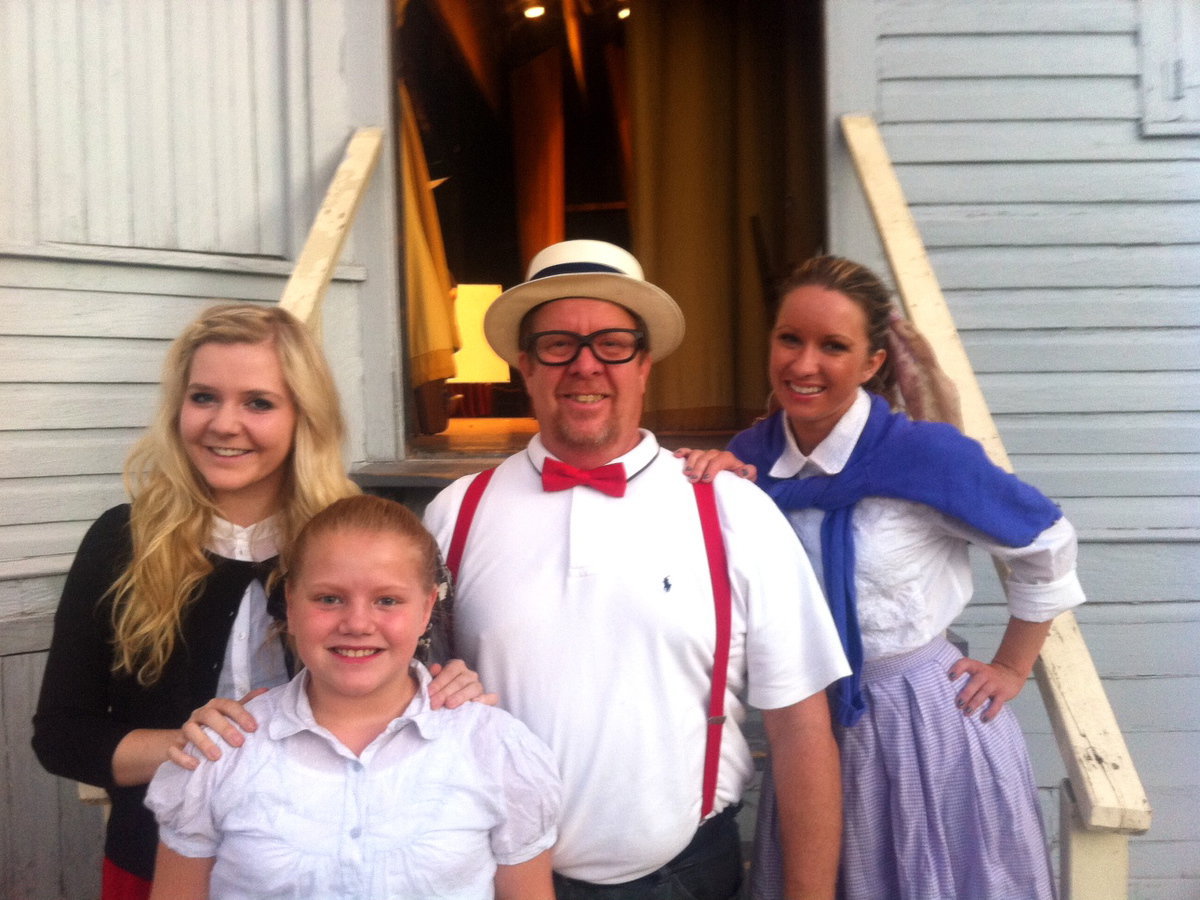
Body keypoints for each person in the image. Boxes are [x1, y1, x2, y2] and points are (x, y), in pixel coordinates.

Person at [422, 240, 851, 899]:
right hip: (494, 877)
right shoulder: (456, 514)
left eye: (613, 344)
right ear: (525, 365)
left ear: (645, 364)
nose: (585, 366)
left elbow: (800, 730)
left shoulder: (732, 511)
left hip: (684, 878)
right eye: (558, 344)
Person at [31, 304, 484, 900]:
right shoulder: (122, 543)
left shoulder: (356, 545)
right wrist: (186, 743)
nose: (224, 423)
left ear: (304, 416)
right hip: (153, 864)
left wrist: (449, 686)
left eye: (258, 403)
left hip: (328, 872)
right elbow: (61, 736)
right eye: (204, 398)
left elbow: (412, 691)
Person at [680, 255, 1086, 899]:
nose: (803, 364)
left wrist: (1012, 666)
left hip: (926, 727)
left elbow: (1047, 543)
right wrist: (709, 478)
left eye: (833, 346)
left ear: (873, 363)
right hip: (809, 725)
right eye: (790, 339)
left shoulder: (924, 454)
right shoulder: (751, 460)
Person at [144, 494, 561, 900]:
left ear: (425, 608)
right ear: (291, 605)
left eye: (387, 600)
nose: (358, 623)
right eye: (329, 599)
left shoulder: (494, 749)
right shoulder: (224, 752)